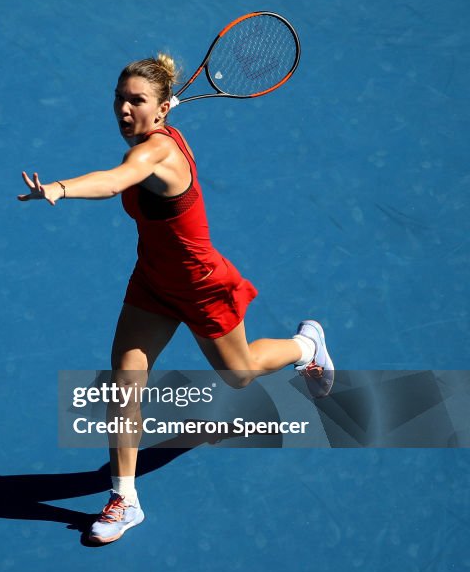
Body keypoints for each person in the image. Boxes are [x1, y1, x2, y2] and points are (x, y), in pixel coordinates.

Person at [17, 54, 333, 545]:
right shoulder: (156, 132)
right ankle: (125, 500)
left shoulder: (154, 154)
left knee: (240, 373)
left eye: (136, 101)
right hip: (154, 281)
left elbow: (116, 180)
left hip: (203, 285)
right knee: (124, 381)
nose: (123, 109)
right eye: (119, 99)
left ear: (163, 109)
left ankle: (306, 346)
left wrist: (61, 188)